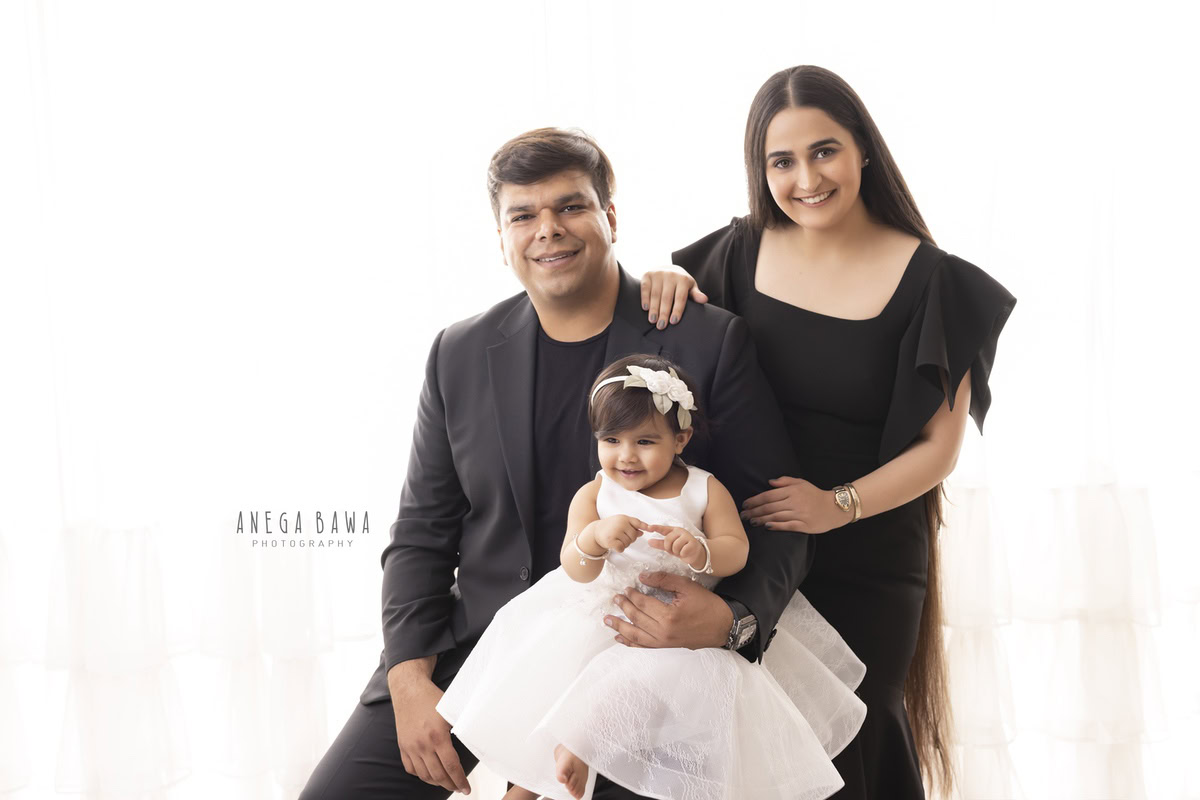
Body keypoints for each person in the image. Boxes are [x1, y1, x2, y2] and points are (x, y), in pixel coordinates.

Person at [299, 127, 817, 800]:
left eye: (570, 206)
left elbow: (779, 520)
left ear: (610, 217)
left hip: (641, 660)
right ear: (502, 236)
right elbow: (422, 533)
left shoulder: (706, 339)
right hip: (484, 647)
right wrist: (407, 676)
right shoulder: (457, 354)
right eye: (523, 215)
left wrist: (733, 622)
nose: (548, 229)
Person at [635, 65, 1017, 799]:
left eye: (825, 151)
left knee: (847, 745)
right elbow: (675, 374)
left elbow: (939, 449)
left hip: (866, 555)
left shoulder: (935, 280)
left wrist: (834, 504)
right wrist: (670, 285)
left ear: (863, 150)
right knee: (740, 750)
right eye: (782, 161)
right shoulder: (733, 254)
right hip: (751, 546)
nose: (806, 177)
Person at [437, 354, 867, 800]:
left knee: (639, 686)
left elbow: (736, 551)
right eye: (611, 439)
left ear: (679, 439)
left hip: (675, 625)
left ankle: (582, 746)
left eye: (644, 441)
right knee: (566, 680)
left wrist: (701, 552)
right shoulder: (596, 493)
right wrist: (595, 538)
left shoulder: (703, 488)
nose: (625, 456)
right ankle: (529, 785)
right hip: (603, 611)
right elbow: (575, 567)